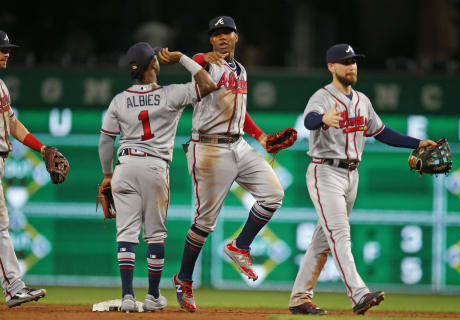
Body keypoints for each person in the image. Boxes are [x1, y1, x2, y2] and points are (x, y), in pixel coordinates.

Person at [288, 43, 437, 315]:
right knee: (341, 235)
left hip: (351, 175)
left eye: (354, 61)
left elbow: (382, 132)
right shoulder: (322, 97)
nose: (352, 66)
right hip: (325, 172)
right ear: (331, 67)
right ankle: (359, 294)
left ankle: (299, 298)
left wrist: (418, 143)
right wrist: (323, 118)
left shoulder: (362, 101)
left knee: (323, 241)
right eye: (345, 62)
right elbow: (309, 120)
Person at [172, 16, 285, 312]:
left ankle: (240, 246)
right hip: (208, 147)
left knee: (274, 194)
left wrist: (261, 136)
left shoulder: (242, 70)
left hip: (238, 144)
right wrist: (199, 57)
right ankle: (184, 279)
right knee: (204, 223)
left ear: (237, 37)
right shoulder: (205, 64)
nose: (222, 37)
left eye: (227, 32)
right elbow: (199, 61)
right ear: (211, 40)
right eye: (217, 33)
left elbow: (239, 110)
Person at [98, 42, 219, 312]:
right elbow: (208, 84)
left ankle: (128, 296)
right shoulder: (170, 94)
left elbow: (106, 141)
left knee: (126, 234)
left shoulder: (119, 99)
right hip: (154, 167)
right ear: (154, 64)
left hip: (124, 165)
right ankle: (153, 296)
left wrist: (107, 175)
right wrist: (183, 59)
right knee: (154, 235)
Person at [0, 30, 67, 308]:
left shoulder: (1, 86)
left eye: (7, 49)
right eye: (1, 49)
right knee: (1, 227)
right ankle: (14, 288)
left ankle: (14, 287)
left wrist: (42, 148)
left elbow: (12, 123)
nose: (6, 53)